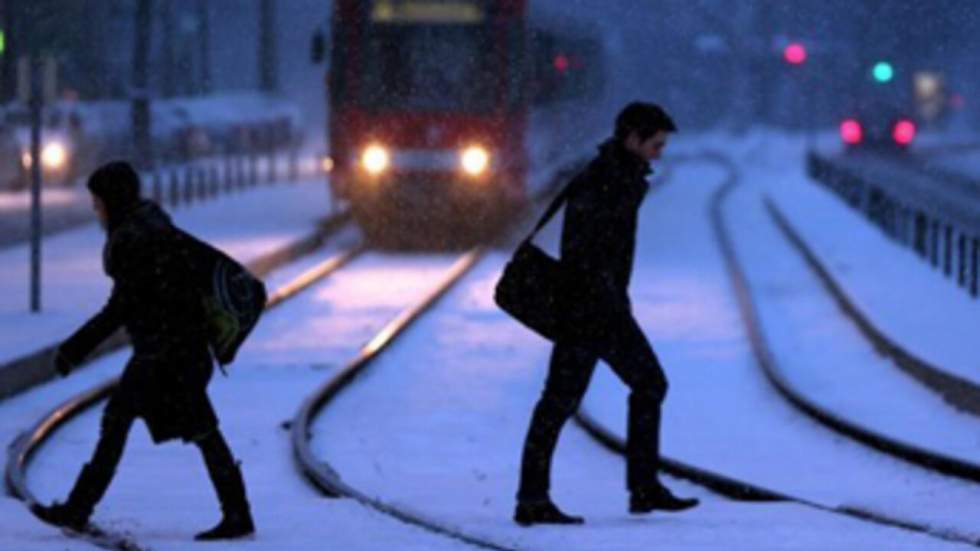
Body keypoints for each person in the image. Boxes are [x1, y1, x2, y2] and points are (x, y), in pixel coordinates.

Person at [31, 161, 255, 541]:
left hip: (167, 352)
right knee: (197, 430)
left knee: (122, 421)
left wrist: (72, 350)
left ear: (113, 200)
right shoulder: (151, 230)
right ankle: (237, 512)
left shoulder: (137, 241)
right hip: (177, 348)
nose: (95, 210)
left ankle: (79, 507)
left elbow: (120, 308)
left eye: (98, 201)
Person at [514, 102, 699, 526]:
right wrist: (607, 302)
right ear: (632, 138)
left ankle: (629, 489)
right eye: (655, 143)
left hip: (595, 307)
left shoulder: (614, 174)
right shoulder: (609, 180)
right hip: (592, 311)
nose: (660, 152)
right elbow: (588, 251)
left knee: (567, 400)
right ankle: (630, 489)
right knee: (623, 389)